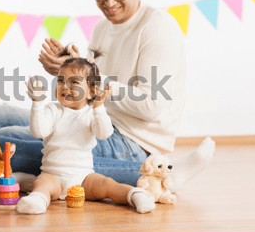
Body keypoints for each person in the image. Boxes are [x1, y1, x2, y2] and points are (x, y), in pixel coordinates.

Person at [0, 0, 215, 192]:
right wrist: (69, 70)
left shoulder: (157, 28)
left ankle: (153, 171)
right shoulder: (102, 28)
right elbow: (89, 94)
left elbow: (150, 106)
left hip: (130, 141)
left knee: (7, 136)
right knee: (3, 113)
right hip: (92, 118)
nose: (109, 2)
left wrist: (89, 81)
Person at [16, 50, 155, 214]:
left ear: (91, 91)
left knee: (107, 185)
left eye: (74, 82)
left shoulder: (91, 113)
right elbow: (38, 131)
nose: (65, 86)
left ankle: (135, 195)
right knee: (42, 184)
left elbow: (104, 133)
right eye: (61, 80)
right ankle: (37, 200)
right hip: (53, 175)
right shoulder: (53, 109)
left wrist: (99, 108)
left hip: (83, 178)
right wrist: (37, 103)